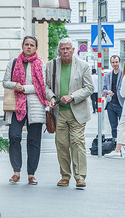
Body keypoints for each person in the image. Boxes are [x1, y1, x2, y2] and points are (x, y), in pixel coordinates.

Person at [46, 38, 94, 188]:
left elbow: (89, 88)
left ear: (73, 50)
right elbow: (46, 87)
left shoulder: (83, 66)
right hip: (59, 112)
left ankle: (80, 176)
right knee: (61, 144)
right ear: (59, 51)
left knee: (77, 142)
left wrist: (72, 96)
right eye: (62, 49)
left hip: (77, 111)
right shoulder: (51, 65)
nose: (65, 51)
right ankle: (65, 176)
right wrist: (52, 97)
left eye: (68, 48)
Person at [3, 36, 49, 185]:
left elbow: (42, 86)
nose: (29, 47)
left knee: (34, 141)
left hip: (35, 106)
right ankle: (16, 171)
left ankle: (31, 174)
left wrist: (25, 88)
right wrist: (15, 85)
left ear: (36, 48)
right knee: (14, 136)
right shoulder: (14, 62)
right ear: (22, 46)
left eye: (32, 45)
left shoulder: (40, 64)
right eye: (26, 44)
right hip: (17, 106)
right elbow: (5, 82)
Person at [103, 55, 125, 154]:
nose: (115, 64)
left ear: (119, 62)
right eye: (113, 62)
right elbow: (103, 89)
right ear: (110, 63)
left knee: (124, 127)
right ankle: (116, 148)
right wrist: (107, 92)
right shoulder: (107, 75)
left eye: (116, 62)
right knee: (114, 127)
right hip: (111, 104)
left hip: (122, 104)